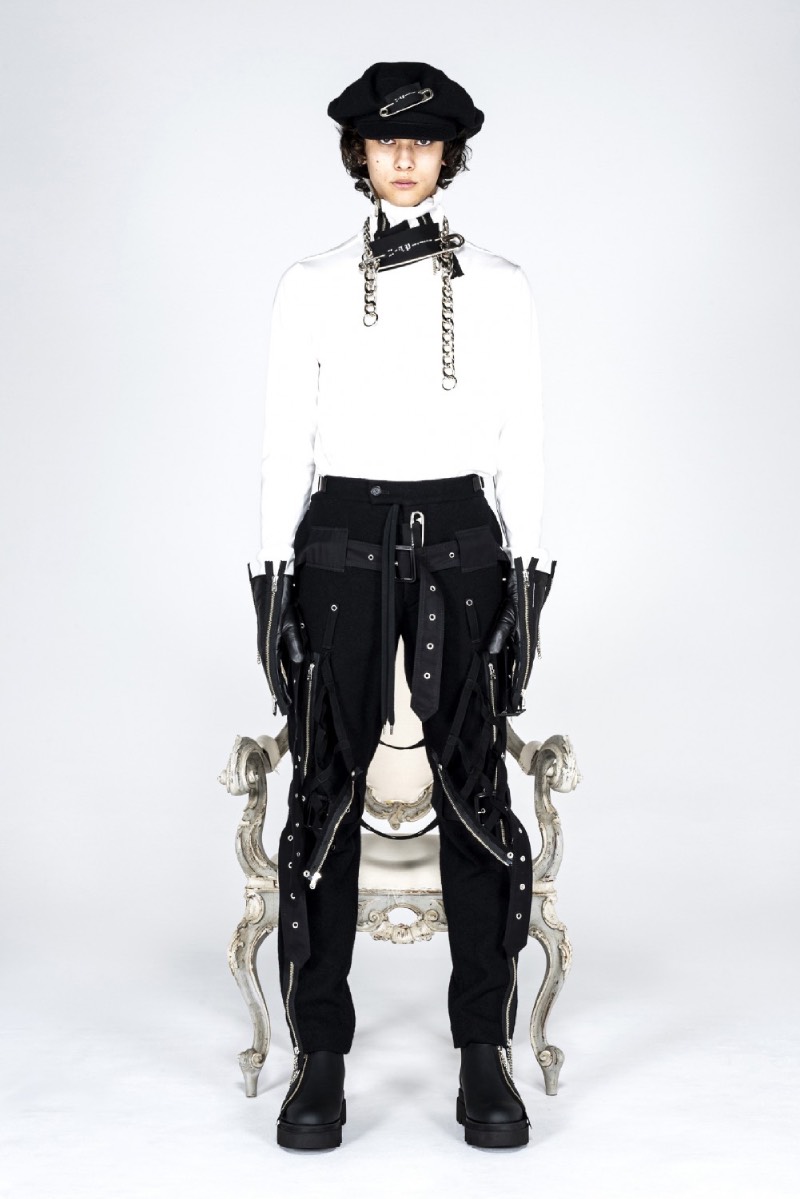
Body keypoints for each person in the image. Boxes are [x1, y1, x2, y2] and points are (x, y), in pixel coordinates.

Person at [248, 61, 556, 1151]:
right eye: (387, 142)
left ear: (448, 155)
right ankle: (319, 1057)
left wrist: (530, 581)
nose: (405, 158)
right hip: (338, 538)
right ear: (360, 154)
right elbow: (283, 443)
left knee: (475, 794)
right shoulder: (309, 282)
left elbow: (524, 441)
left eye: (423, 143)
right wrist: (269, 587)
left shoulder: (504, 284)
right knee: (321, 793)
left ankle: (483, 1052)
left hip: (464, 536)